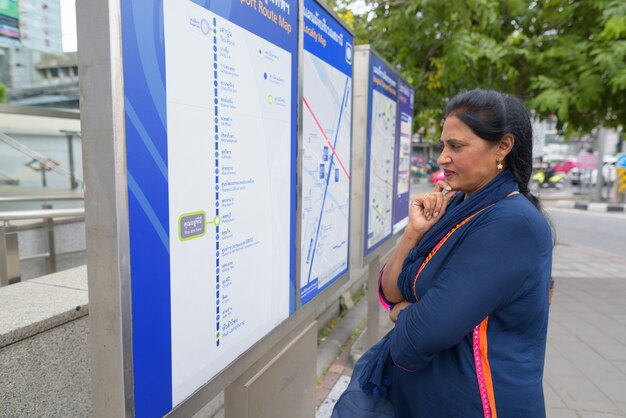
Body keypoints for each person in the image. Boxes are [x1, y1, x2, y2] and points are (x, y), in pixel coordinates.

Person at [335, 89, 553, 417]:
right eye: (442, 145)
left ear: (503, 147)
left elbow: (424, 332)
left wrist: (400, 313)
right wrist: (413, 234)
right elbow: (391, 290)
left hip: (477, 403)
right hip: (431, 398)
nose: (441, 158)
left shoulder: (512, 223)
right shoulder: (460, 206)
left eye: (456, 146)